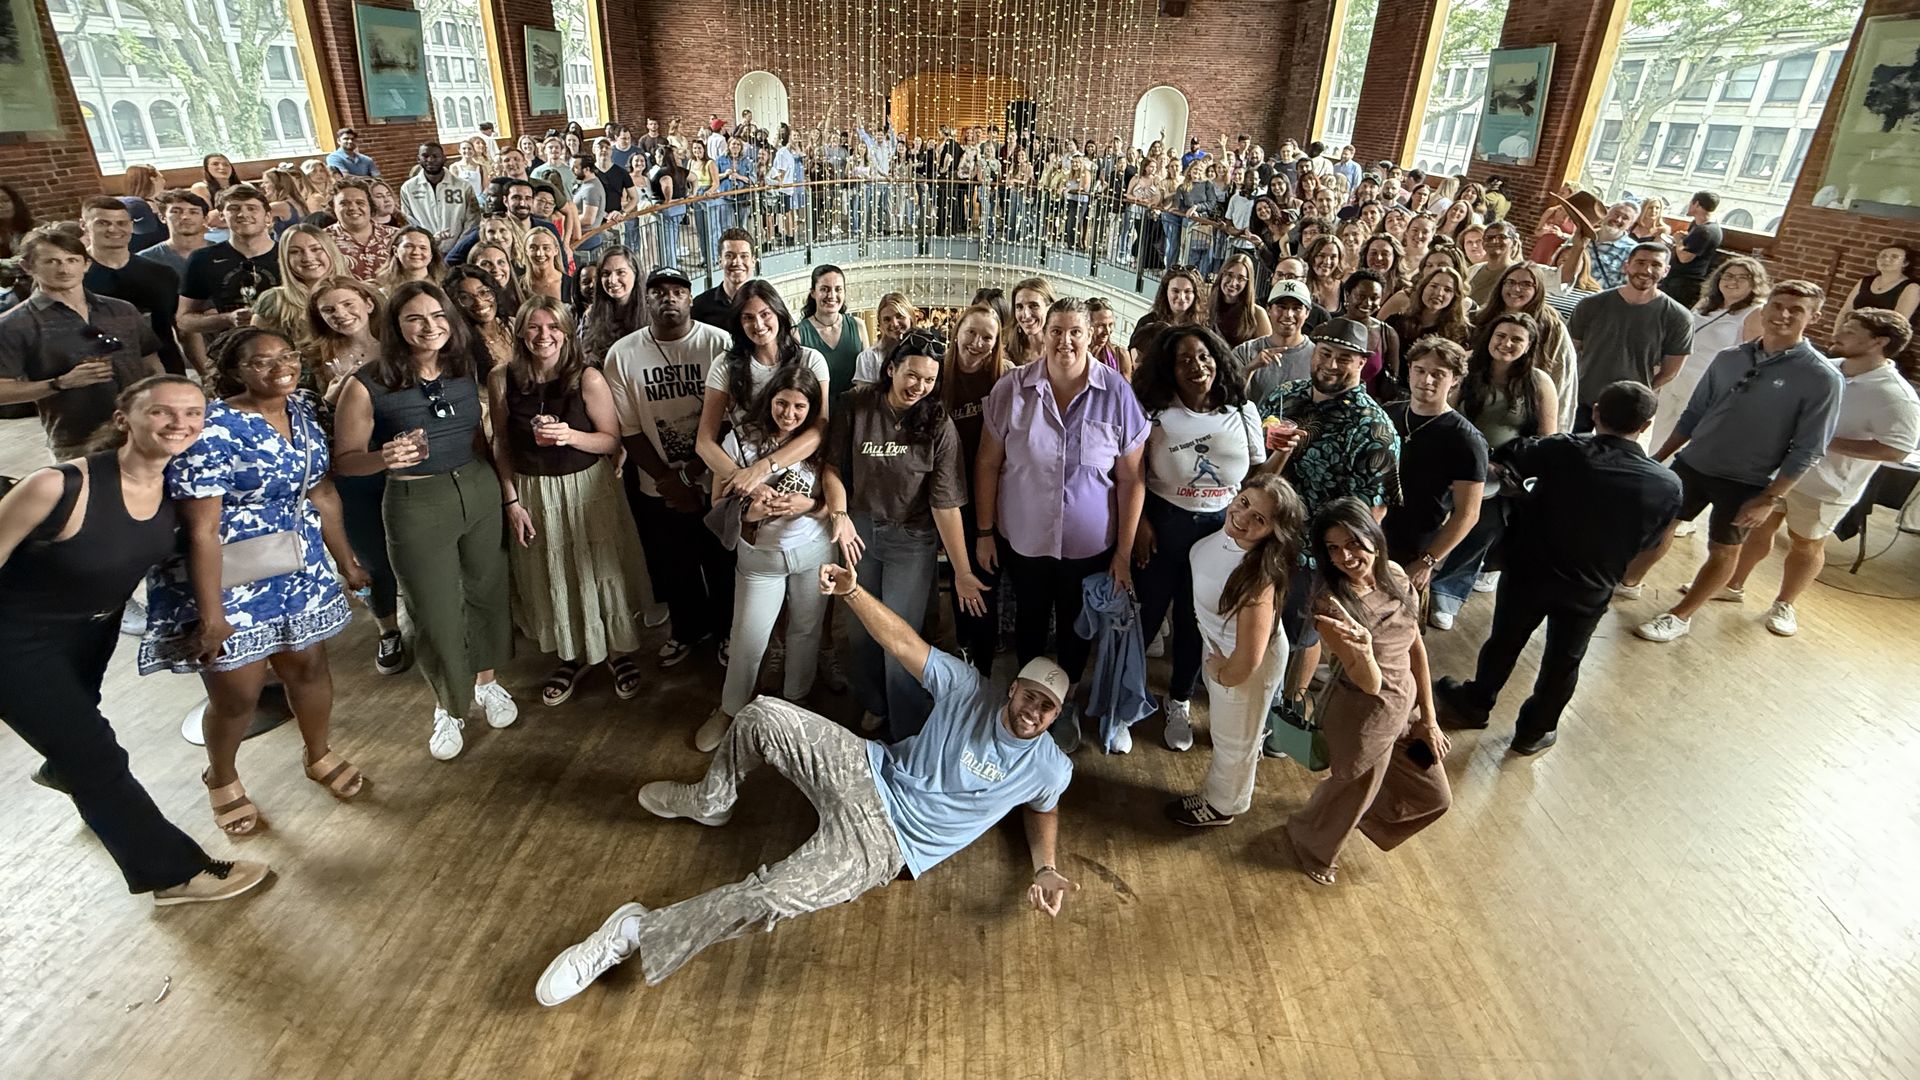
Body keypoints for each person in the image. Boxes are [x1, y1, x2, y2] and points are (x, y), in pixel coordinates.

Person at [534, 563, 1075, 1006]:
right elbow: (903, 642)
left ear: (1055, 716)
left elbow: (1043, 807)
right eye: (1030, 695)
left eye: (1047, 707)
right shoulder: (967, 689)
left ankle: (632, 933)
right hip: (868, 767)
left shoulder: (1049, 767)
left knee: (769, 896)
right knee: (763, 714)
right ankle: (710, 800)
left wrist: (1045, 868)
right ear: (1012, 689)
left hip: (890, 845)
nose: (1034, 711)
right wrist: (853, 592)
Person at [0, 375, 270, 905]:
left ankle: (61, 767)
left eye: (192, 413)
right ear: (125, 418)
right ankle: (173, 875)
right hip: (15, 642)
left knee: (75, 741)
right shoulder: (56, 486)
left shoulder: (174, 488)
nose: (180, 423)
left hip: (91, 632)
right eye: (162, 412)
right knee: (98, 758)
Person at [136, 327, 368, 834]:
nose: (280, 367)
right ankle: (221, 776)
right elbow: (202, 529)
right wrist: (212, 616)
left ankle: (318, 753)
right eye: (261, 362)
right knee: (237, 693)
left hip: (297, 562)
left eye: (287, 355)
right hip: (228, 575)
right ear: (235, 372)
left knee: (308, 666)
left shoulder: (305, 409)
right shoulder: (212, 428)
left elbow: (322, 491)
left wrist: (347, 562)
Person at [1436, 382, 1682, 754]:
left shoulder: (1560, 450)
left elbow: (1510, 453)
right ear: (1646, 426)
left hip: (1530, 569)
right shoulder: (1666, 484)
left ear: (1595, 413)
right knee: (1565, 660)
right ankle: (1534, 731)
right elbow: (1650, 542)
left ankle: (1475, 703)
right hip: (1592, 583)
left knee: (1504, 640)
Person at [331, 281, 518, 759]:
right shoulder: (366, 383)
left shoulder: (462, 368)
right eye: (414, 318)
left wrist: (504, 496)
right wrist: (383, 458)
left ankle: (487, 683)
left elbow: (480, 438)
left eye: (437, 316)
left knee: (487, 592)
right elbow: (345, 461)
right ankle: (448, 705)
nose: (429, 327)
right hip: (416, 499)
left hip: (477, 487)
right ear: (394, 326)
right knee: (433, 608)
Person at [1623, 281, 1843, 643]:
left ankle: (1680, 616)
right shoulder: (1730, 357)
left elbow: (1809, 448)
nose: (1783, 315)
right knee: (1660, 526)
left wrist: (1770, 497)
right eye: (1778, 305)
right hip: (1694, 463)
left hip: (1748, 480)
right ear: (1765, 308)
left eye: (1796, 310)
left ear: (1814, 318)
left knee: (1724, 549)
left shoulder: (1822, 377)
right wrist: (1657, 460)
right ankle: (1628, 582)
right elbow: (1694, 414)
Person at [976, 297, 1149, 753]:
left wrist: (1123, 553)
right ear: (1043, 334)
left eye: (1075, 332)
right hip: (1026, 541)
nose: (1065, 341)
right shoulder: (1012, 389)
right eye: (1056, 331)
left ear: (1091, 335)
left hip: (1089, 548)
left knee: (1077, 629)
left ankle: (1063, 703)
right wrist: (984, 531)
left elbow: (1131, 479)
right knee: (1030, 621)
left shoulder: (1117, 394)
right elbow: (988, 463)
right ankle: (1025, 703)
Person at [489, 295, 649, 706]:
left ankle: (616, 652)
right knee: (551, 573)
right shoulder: (502, 378)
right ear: (521, 332)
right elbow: (501, 443)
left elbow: (611, 440)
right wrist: (511, 501)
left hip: (586, 488)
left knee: (598, 570)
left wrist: (569, 435)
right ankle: (571, 655)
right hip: (533, 491)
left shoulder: (587, 378)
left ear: (565, 332)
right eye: (534, 327)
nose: (544, 335)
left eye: (553, 327)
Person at [1722, 308, 1919, 637]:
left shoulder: (1896, 396)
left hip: (1827, 485)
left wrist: (1823, 441)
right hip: (1780, 472)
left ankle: (1784, 604)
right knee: (1757, 529)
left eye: (1850, 331)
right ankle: (1732, 585)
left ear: (1879, 342)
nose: (1838, 334)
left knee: (1806, 544)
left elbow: (1897, 449)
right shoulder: (1824, 368)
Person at [825, 330, 981, 741]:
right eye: (912, 375)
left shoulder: (938, 424)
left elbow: (945, 503)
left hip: (910, 538)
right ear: (891, 369)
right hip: (859, 531)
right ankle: (875, 702)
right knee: (860, 630)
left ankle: (907, 722)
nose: (919, 386)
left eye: (929, 380)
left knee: (900, 636)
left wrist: (962, 571)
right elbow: (833, 468)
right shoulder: (855, 405)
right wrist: (839, 515)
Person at [1286, 498, 1450, 885]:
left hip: (1405, 705)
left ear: (1374, 536)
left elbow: (1415, 646)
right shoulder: (1331, 606)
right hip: (1364, 716)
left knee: (1434, 795)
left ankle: (1339, 813)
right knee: (1353, 791)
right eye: (1333, 548)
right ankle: (1311, 842)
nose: (1345, 556)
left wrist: (1429, 718)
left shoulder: (1395, 574)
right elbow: (1370, 684)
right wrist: (1362, 650)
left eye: (1353, 543)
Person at [1255, 317, 1400, 734]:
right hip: (1263, 538)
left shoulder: (1373, 428)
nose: (1332, 365)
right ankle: (1252, 696)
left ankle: (1283, 719)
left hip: (1315, 555)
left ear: (1363, 363)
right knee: (1259, 623)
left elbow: (1372, 513)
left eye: (1345, 358)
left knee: (1303, 634)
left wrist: (1339, 565)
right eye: (1325, 353)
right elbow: (1253, 458)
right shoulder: (1285, 395)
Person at [1132, 325, 1272, 753]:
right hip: (1164, 525)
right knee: (1145, 617)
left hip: (1220, 532)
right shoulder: (1154, 411)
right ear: (1169, 370)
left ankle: (1179, 700)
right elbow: (1132, 473)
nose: (1197, 366)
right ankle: (1126, 696)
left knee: (1198, 621)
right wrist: (1139, 523)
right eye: (1184, 360)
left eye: (1204, 356)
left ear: (1218, 359)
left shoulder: (1242, 409)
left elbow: (1257, 475)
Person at [602, 267, 737, 675]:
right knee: (676, 565)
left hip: (714, 480)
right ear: (647, 300)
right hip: (657, 483)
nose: (669, 298)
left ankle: (727, 631)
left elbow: (730, 420)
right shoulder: (622, 354)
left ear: (691, 298)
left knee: (721, 562)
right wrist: (668, 481)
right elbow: (628, 429)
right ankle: (687, 630)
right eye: (659, 292)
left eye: (678, 291)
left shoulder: (719, 343)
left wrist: (689, 475)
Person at [699, 365, 833, 750]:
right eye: (782, 403)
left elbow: (838, 500)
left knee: (806, 631)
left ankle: (796, 700)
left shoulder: (821, 440)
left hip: (813, 550)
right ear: (770, 398)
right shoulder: (739, 440)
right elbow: (717, 502)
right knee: (748, 635)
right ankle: (730, 708)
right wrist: (749, 513)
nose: (789, 414)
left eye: (799, 407)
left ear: (812, 408)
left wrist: (809, 505)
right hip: (760, 558)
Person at [1163, 474, 1304, 825]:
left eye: (1259, 519)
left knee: (1234, 743)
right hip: (1221, 648)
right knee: (1235, 734)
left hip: (1242, 665)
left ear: (1273, 531)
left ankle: (1223, 806)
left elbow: (1249, 660)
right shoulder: (1229, 536)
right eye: (1243, 503)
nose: (1242, 517)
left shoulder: (1257, 579)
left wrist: (1221, 673)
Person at [1427, 312, 1560, 627]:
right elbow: (1441, 410)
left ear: (1529, 346)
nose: (1506, 344)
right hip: (1453, 459)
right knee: (1427, 514)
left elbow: (1546, 439)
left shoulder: (1539, 382)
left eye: (1516, 339)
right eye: (1501, 336)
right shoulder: (1467, 369)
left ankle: (1447, 594)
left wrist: (1510, 466)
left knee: (1484, 526)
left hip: (1500, 472)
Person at [305, 276, 408, 675]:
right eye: (329, 310)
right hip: (352, 468)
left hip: (403, 458)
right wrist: (329, 399)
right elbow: (302, 418)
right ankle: (387, 629)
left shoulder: (398, 347)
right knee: (371, 554)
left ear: (367, 302)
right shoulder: (315, 358)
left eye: (348, 304)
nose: (341, 315)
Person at [0, 230, 164, 460]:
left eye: (72, 260)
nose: (64, 269)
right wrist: (59, 383)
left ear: (86, 264)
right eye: (51, 261)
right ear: (28, 267)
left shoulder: (121, 310)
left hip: (144, 431)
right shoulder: (14, 324)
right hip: (78, 441)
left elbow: (152, 365)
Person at [1379, 337, 1486, 603]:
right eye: (1420, 370)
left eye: (1438, 374)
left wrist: (1427, 561)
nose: (1426, 380)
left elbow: (1468, 513)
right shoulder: (1387, 414)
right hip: (1371, 534)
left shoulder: (1466, 439)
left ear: (1455, 380)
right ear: (1409, 370)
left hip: (1414, 547)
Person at [1567, 244, 1693, 433]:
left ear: (1666, 271)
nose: (1647, 270)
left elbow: (1671, 370)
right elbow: (1569, 350)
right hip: (1581, 400)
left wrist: (1641, 391)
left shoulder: (1678, 317)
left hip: (1628, 409)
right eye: (1640, 262)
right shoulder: (1591, 304)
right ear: (1626, 266)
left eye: (1656, 265)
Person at [1651, 256, 1767, 451]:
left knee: (1685, 439)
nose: (1733, 281)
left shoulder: (1754, 312)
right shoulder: (1706, 303)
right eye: (1728, 276)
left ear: (1755, 282)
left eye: (1742, 277)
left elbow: (1753, 357)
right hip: (1678, 375)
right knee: (1660, 432)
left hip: (1708, 384)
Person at [177, 186, 281, 377]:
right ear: (222, 217)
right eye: (234, 208)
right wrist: (227, 318)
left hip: (288, 350)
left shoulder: (288, 254)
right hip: (233, 358)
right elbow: (184, 320)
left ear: (267, 217)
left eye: (251, 208)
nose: (243, 214)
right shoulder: (203, 259)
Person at [78, 198, 186, 378]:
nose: (113, 229)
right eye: (103, 223)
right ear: (84, 225)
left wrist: (203, 373)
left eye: (121, 223)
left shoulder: (161, 273)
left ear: (131, 225)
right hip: (103, 375)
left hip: (166, 369)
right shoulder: (72, 276)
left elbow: (183, 329)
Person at [1471, 263, 1580, 431]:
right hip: (1478, 400)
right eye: (1510, 282)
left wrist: (1558, 432)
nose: (1516, 289)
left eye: (1526, 284)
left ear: (1538, 289)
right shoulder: (1483, 317)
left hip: (1526, 411)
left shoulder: (1552, 328)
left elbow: (1562, 380)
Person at [1234, 280, 1317, 404]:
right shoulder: (1245, 352)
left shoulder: (1318, 357)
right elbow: (1226, 398)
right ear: (1268, 309)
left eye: (1296, 308)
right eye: (1281, 307)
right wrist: (1250, 368)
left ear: (1307, 313)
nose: (1288, 314)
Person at [796, 264, 870, 400]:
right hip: (816, 407)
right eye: (824, 289)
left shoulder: (858, 325)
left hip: (854, 406)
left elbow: (867, 374)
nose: (832, 295)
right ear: (813, 293)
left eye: (838, 289)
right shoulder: (798, 334)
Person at [400, 142, 482, 252]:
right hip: (425, 250)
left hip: (459, 250)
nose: (430, 160)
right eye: (425, 156)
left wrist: (458, 248)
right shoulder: (408, 188)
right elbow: (408, 220)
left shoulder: (463, 186)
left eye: (435, 156)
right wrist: (428, 243)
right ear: (418, 159)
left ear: (444, 158)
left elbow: (472, 220)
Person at [1833, 244, 1920, 333]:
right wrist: (1836, 333)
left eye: (1894, 257)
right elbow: (1846, 311)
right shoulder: (1865, 281)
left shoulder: (1911, 287)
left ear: (1905, 263)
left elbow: (1898, 323)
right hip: (1851, 334)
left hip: (1881, 338)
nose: (1886, 259)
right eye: (1883, 256)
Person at [1660, 191, 1722, 309]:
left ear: (1697, 204)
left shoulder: (1705, 231)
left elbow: (1684, 258)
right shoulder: (1697, 225)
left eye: (1690, 203)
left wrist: (1678, 240)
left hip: (1684, 283)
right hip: (1676, 280)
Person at [137, 190, 212, 279]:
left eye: (193, 212)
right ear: (162, 217)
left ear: (205, 219)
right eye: (176, 211)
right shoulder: (144, 260)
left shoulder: (223, 253)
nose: (185, 217)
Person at [691, 229, 757, 329]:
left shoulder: (765, 301)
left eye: (744, 256)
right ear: (720, 261)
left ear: (753, 261)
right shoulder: (700, 305)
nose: (737, 262)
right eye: (729, 256)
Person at [853, 291, 916, 384]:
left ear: (911, 318)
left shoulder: (926, 352)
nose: (894, 324)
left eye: (900, 316)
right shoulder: (868, 358)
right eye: (887, 319)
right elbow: (864, 392)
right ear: (881, 324)